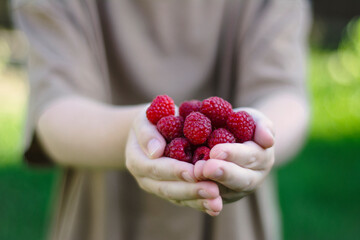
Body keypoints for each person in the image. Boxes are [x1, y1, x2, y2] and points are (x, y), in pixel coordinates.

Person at [13, 0, 311, 239]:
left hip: (230, 224)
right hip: (101, 218)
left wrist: (257, 142)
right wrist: (133, 131)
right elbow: (53, 111)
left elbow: (284, 93)